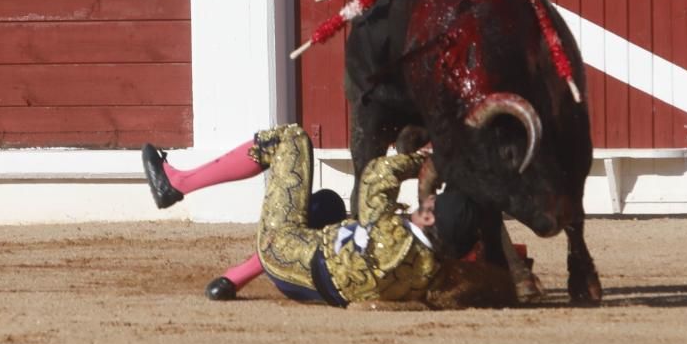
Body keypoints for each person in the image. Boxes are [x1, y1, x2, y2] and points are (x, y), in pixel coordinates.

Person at [141, 124, 484, 307]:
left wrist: (426, 159)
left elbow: (378, 174)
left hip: (283, 248)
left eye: (429, 205)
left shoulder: (389, 231)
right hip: (308, 291)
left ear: (427, 219)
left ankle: (177, 183)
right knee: (329, 206)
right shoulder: (434, 272)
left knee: (289, 139)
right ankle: (232, 280)